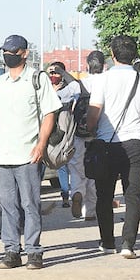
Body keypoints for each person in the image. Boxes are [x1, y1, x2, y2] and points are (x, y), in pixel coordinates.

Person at [0, 35, 62, 270]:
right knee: (8, 206)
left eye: (13, 51)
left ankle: (34, 250)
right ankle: (11, 251)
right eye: (5, 51)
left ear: (24, 53)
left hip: (28, 155)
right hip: (4, 156)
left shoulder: (37, 79)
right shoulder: (1, 82)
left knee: (30, 204)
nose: (8, 55)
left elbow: (50, 114)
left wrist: (40, 145)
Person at [86, 35, 140, 259]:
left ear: (112, 55)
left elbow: (94, 113)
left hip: (107, 144)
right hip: (135, 143)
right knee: (133, 194)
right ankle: (128, 245)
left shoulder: (102, 80)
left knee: (104, 195)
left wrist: (91, 127)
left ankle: (107, 242)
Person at [68, 50, 105, 220]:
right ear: (104, 65)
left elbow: (61, 99)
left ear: (87, 65)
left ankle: (76, 193)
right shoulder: (107, 82)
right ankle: (90, 211)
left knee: (77, 168)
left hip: (79, 133)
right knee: (96, 172)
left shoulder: (79, 84)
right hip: (101, 133)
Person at [46, 61, 81, 209]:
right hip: (48, 130)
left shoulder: (69, 89)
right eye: (51, 73)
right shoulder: (45, 89)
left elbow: (77, 87)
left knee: (64, 163)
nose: (53, 75)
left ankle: (67, 195)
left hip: (63, 129)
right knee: (50, 164)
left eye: (56, 72)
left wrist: (64, 73)